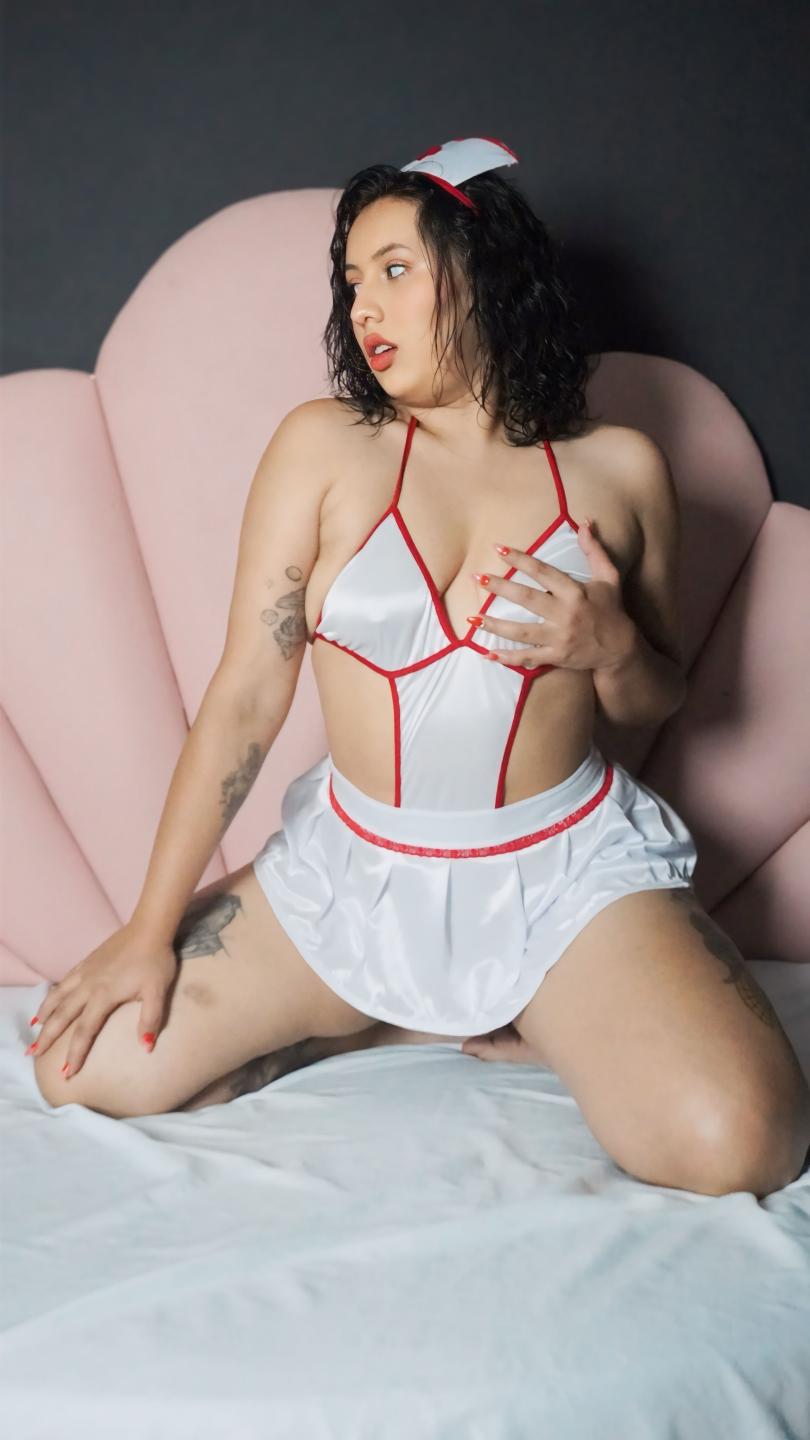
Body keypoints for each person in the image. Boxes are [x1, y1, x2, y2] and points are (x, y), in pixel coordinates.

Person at [29, 138, 810, 1197]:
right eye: (352, 281)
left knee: (747, 1143)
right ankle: (376, 1014)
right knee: (83, 1070)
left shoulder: (622, 470)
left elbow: (659, 700)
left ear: (485, 273)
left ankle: (545, 1004)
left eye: (394, 270)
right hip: (350, 874)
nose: (365, 308)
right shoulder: (322, 448)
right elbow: (246, 696)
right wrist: (146, 928)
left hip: (559, 877)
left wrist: (613, 646)